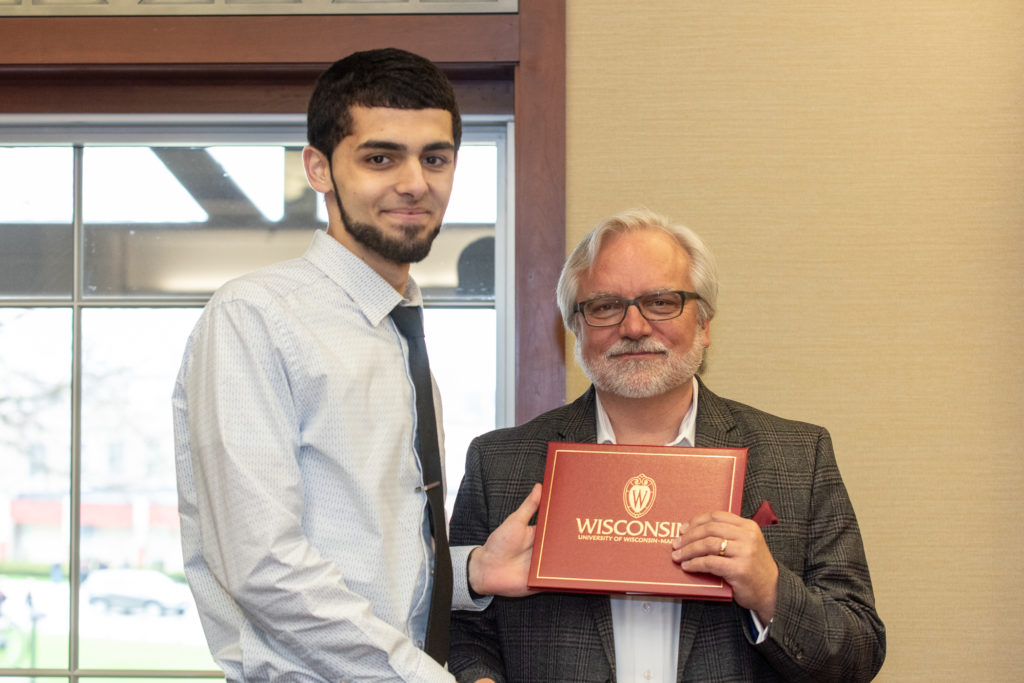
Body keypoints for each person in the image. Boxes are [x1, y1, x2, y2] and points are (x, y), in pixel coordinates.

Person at [173, 48, 539, 682]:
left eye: (435, 157)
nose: (414, 182)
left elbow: (373, 557)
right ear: (319, 168)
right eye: (380, 157)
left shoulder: (400, 327)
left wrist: (470, 571)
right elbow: (262, 565)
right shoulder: (254, 317)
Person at [448, 208, 886, 682]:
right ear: (575, 328)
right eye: (605, 306)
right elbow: (460, 629)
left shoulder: (800, 456)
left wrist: (770, 590)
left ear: (705, 324)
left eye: (661, 302)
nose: (634, 327)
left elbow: (859, 652)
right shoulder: (499, 464)